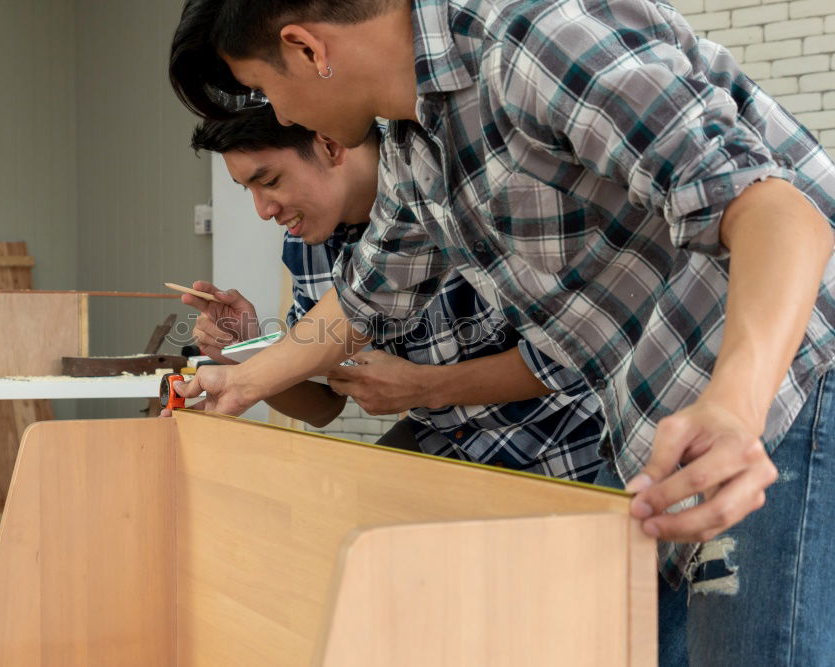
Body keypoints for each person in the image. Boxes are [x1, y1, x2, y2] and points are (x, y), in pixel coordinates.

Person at [168, 0, 835, 664]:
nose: (279, 115)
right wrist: (239, 379)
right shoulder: (415, 141)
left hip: (786, 388)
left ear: (308, 49)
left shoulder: (527, 39)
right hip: (667, 425)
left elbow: (779, 212)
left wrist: (735, 406)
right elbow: (364, 301)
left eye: (268, 88)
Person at [179, 104, 606, 481]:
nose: (263, 210)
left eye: (269, 181)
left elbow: (573, 357)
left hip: (567, 441)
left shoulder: (450, 186)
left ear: (329, 145)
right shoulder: (307, 244)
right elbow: (323, 406)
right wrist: (248, 353)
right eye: (248, 191)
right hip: (445, 444)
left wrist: (427, 388)